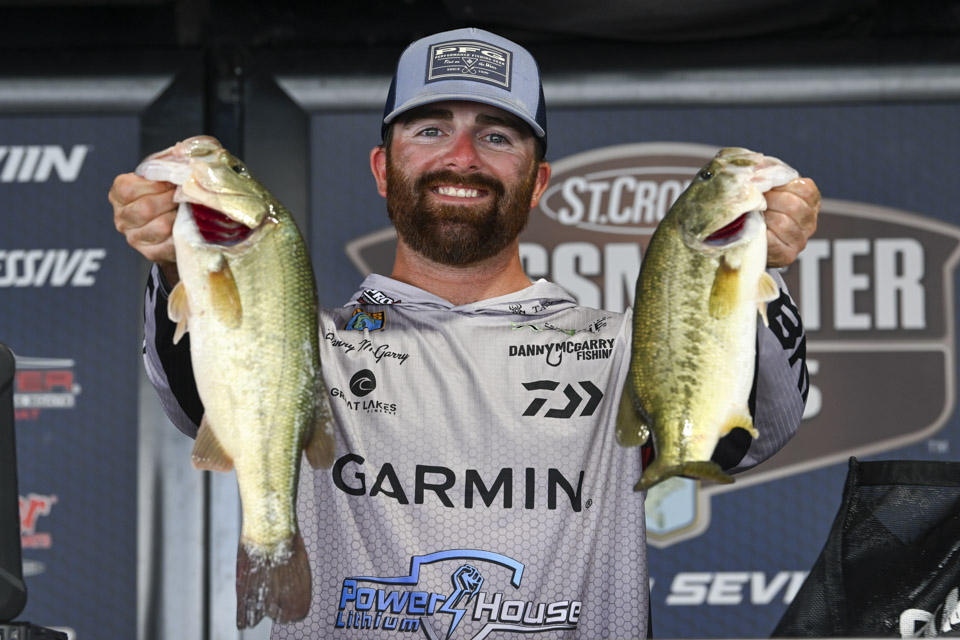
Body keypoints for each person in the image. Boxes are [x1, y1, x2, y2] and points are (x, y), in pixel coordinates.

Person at [110, 27, 819, 640]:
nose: (462, 156)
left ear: (537, 181)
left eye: (497, 135)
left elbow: (746, 440)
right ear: (383, 168)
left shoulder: (621, 351)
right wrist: (178, 261)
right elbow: (195, 404)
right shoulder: (308, 344)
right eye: (429, 129)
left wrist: (759, 269)